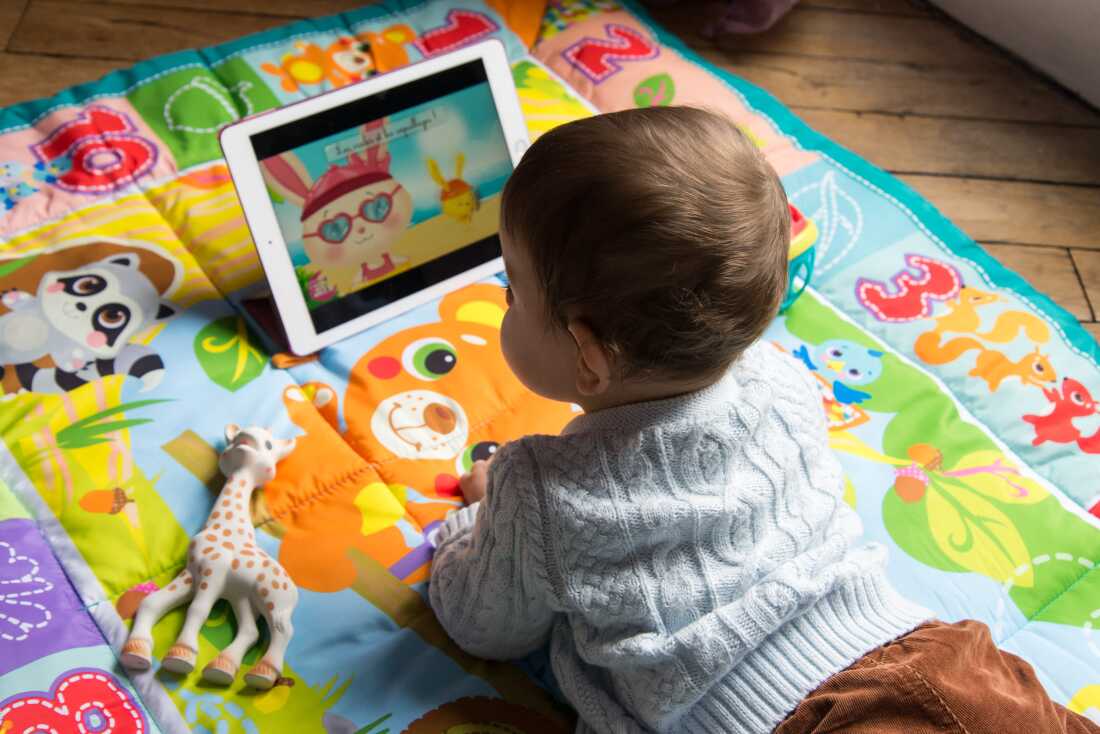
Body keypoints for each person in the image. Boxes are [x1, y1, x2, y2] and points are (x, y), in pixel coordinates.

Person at [428, 106, 1099, 734]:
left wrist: (483, 524)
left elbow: (480, 623)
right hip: (943, 661)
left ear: (590, 358)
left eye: (512, 289)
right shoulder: (781, 380)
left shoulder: (539, 490)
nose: (503, 301)